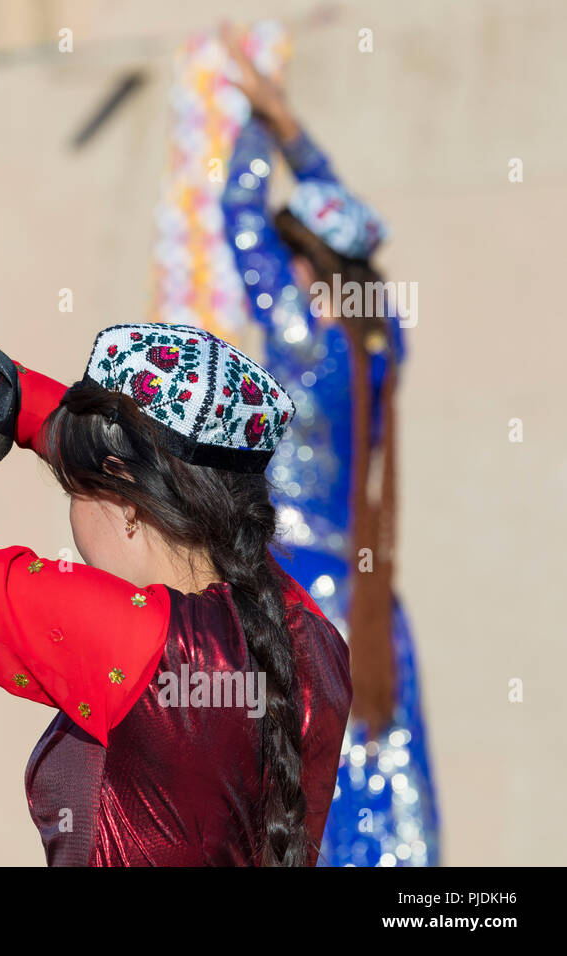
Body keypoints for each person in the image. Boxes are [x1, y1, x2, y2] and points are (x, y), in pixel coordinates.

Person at [0, 212, 351, 865]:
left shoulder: (137, 642)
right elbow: (107, 446)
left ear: (124, 499)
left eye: (74, 481)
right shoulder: (311, 637)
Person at [218, 25, 439, 866]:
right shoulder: (380, 342)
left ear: (304, 264)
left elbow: (238, 212)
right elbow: (351, 240)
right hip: (363, 590)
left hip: (293, 585)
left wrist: (260, 126)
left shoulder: (296, 330)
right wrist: (300, 140)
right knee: (380, 767)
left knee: (286, 771)